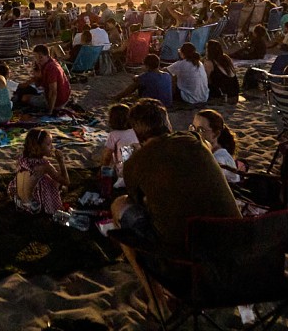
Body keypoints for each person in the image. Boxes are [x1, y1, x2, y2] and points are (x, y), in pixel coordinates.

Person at [111, 99, 240, 319]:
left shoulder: (136, 162)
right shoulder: (194, 140)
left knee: (119, 206)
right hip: (236, 255)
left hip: (185, 262)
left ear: (137, 132)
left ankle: (157, 301)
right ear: (167, 123)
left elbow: (138, 201)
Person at [7, 128, 70, 215]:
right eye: (48, 144)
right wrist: (61, 161)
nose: (52, 147)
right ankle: (40, 202)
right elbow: (66, 181)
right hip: (34, 207)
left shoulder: (23, 159)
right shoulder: (45, 166)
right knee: (59, 182)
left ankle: (22, 202)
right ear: (38, 147)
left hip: (19, 201)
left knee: (44, 178)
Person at [15, 44, 71, 113]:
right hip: (63, 96)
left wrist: (50, 111)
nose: (38, 60)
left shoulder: (51, 68)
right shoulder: (50, 62)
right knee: (27, 90)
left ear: (47, 55)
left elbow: (53, 92)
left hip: (58, 101)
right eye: (36, 57)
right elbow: (37, 82)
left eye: (40, 57)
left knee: (24, 98)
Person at [191, 109, 241, 183]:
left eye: (201, 130)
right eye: (193, 128)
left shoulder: (219, 159)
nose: (194, 133)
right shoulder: (205, 150)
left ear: (215, 134)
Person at [100, 103, 140, 179]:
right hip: (136, 171)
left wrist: (101, 169)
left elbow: (107, 157)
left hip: (122, 174)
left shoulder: (114, 135)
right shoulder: (135, 132)